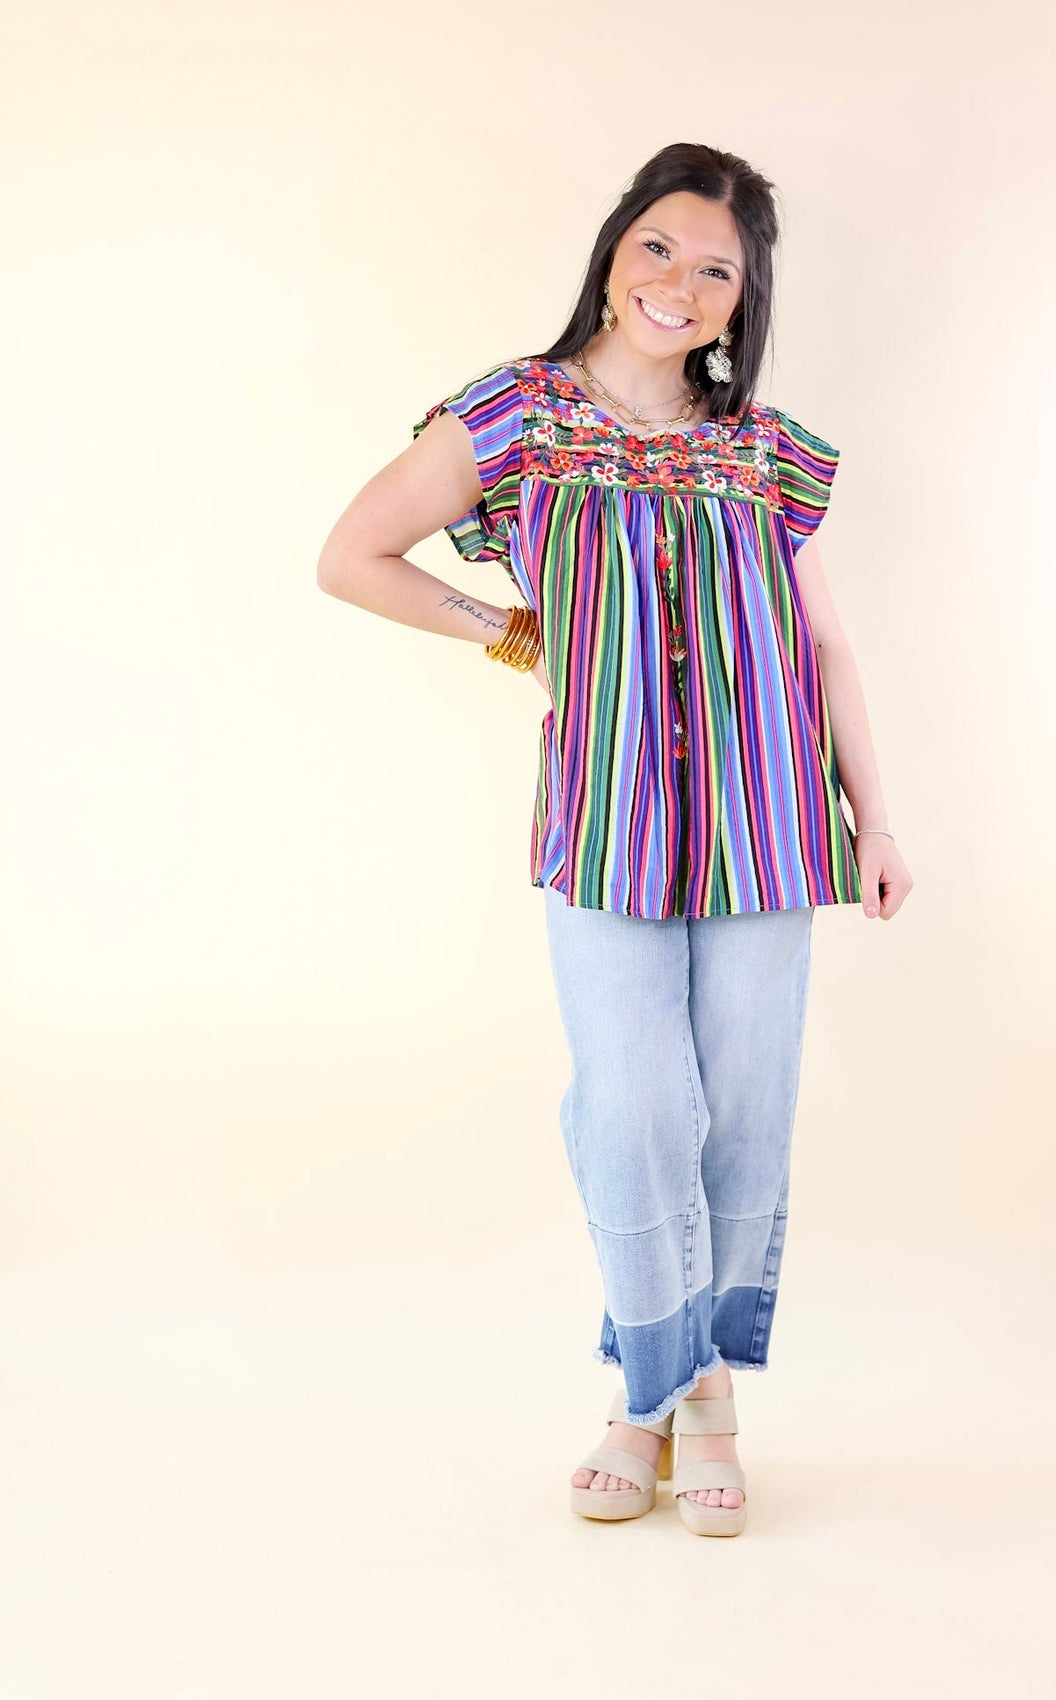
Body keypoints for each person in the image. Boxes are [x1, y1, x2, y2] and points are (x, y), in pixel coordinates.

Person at [317, 142, 913, 1538]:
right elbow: (352, 554)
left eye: (717, 272)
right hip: (607, 819)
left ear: (741, 300)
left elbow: (824, 643)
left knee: (743, 1109)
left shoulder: (762, 448)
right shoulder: (516, 416)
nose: (680, 286)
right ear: (613, 248)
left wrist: (875, 817)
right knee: (635, 1107)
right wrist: (515, 635)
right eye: (660, 248)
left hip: (772, 819)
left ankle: (667, 1406)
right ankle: (676, 1380)